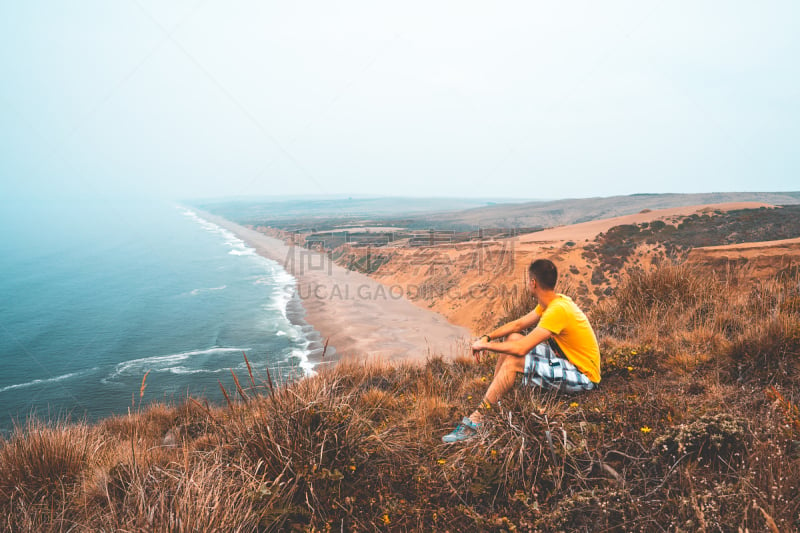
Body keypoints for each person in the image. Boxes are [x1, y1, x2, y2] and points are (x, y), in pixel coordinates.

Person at [442, 258, 600, 443]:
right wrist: (488, 336)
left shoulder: (558, 310)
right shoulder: (554, 301)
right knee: (513, 337)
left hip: (584, 376)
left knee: (514, 359)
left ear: (533, 283)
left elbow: (521, 349)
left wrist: (485, 346)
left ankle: (475, 423)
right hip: (569, 361)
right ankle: (493, 401)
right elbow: (518, 325)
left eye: (528, 280)